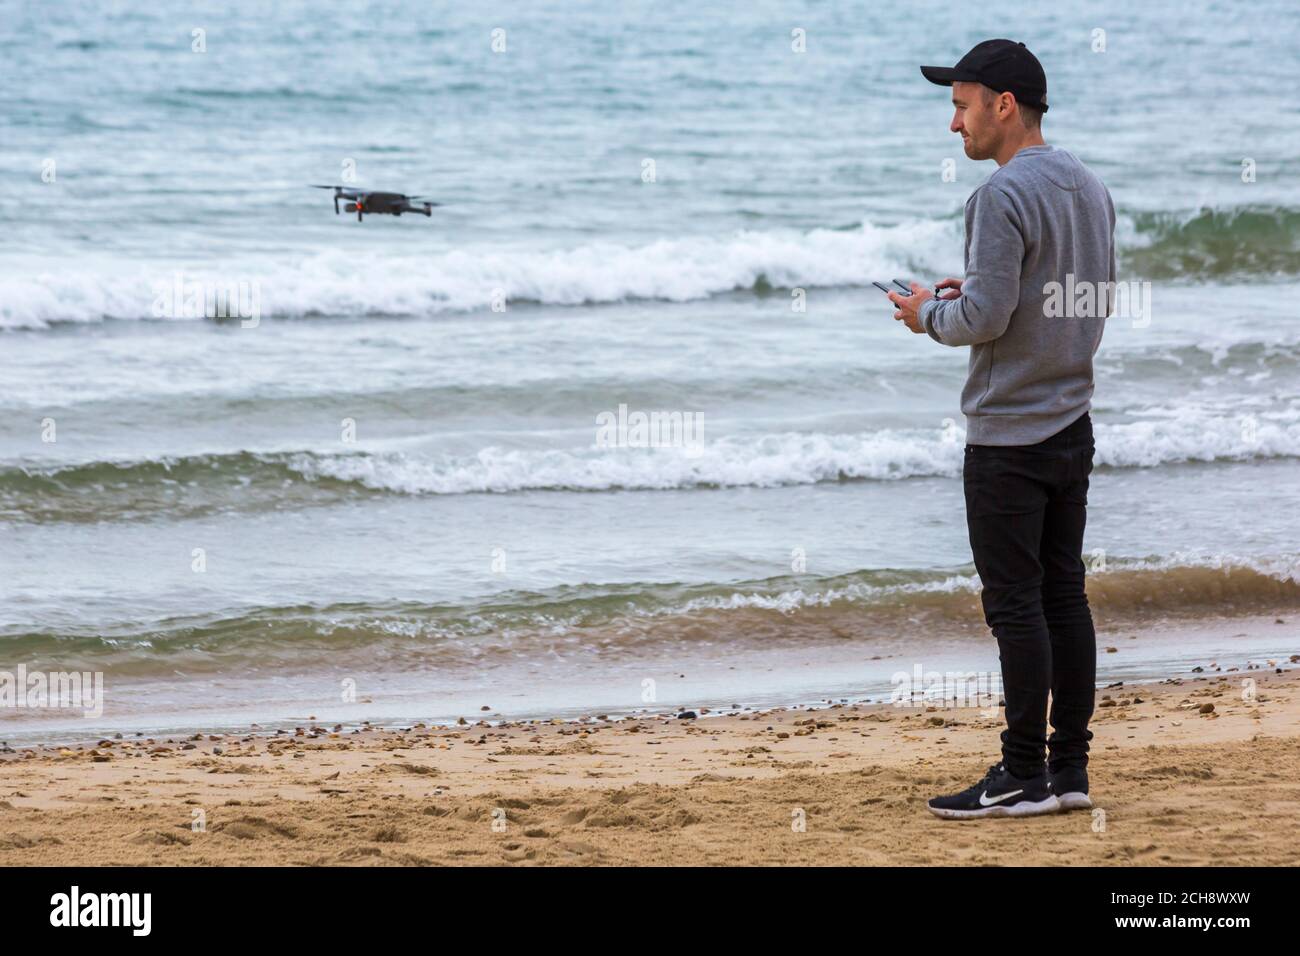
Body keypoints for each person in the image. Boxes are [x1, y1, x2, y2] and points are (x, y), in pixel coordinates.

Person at [887, 39, 1117, 818]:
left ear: (1003, 105)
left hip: (1008, 442)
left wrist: (928, 314)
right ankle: (1070, 772)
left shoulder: (1000, 196)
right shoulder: (1088, 186)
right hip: (1071, 425)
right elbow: (1082, 300)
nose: (954, 124)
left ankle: (1020, 773)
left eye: (960, 104)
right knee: (1064, 597)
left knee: (1015, 605)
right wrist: (981, 290)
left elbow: (980, 320)